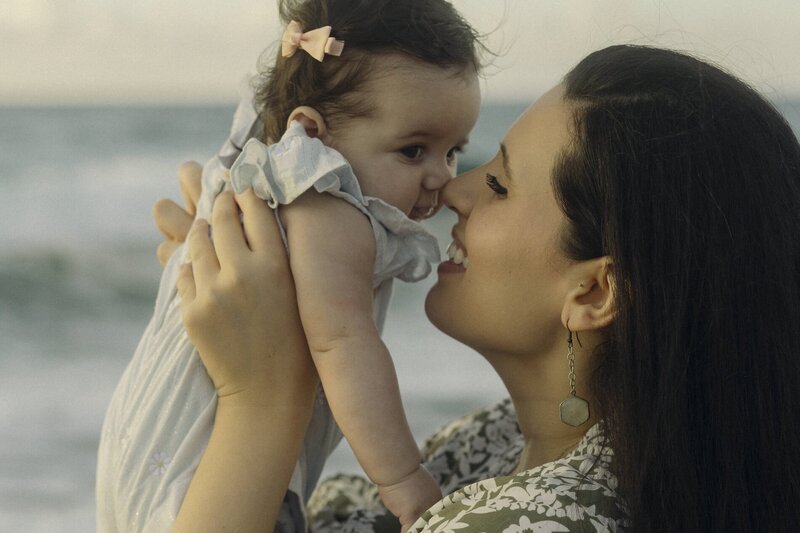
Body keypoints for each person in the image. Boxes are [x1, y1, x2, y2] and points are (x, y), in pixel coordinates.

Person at [155, 44, 800, 532]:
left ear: (597, 293)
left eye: (497, 184)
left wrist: (261, 397)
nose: (453, 194)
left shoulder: (541, 522)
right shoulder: (510, 440)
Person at [96, 0, 485, 531]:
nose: (442, 176)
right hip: (214, 466)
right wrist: (402, 479)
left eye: (452, 151)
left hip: (146, 440)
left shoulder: (255, 156)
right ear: (313, 134)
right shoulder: (328, 206)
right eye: (414, 150)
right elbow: (343, 343)